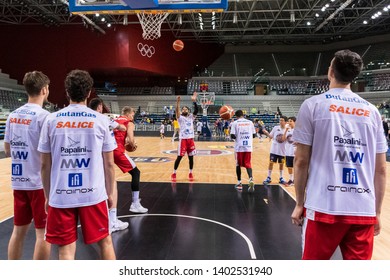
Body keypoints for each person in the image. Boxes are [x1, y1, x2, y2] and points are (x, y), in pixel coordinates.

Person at [291, 50, 387, 260]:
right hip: (362, 209)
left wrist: (299, 203)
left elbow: (300, 161)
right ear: (355, 76)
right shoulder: (372, 111)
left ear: (330, 72)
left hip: (323, 206)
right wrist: (377, 212)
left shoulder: (313, 105)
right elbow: (380, 169)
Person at [38, 69, 116, 260]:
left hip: (61, 196)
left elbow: (44, 166)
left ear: (67, 92)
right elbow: (110, 164)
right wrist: (110, 192)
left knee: (65, 250)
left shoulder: (51, 120)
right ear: (89, 92)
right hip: (93, 194)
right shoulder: (100, 120)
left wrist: (48, 196)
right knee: (105, 242)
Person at [4, 71, 51, 260]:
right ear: (44, 90)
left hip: (18, 181)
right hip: (38, 184)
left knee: (18, 231)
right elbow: (49, 154)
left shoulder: (12, 116)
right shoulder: (45, 117)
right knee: (43, 234)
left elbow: (8, 150)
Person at [88, 97, 129, 233]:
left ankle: (94, 221)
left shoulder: (84, 118)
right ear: (100, 107)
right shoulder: (103, 119)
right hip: (102, 159)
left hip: (86, 161)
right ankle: (112, 221)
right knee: (111, 186)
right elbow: (122, 127)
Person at [113, 106, 148, 214]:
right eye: (132, 115)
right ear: (128, 114)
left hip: (107, 151)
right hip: (118, 151)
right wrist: (133, 145)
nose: (133, 117)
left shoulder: (114, 121)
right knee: (136, 172)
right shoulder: (129, 123)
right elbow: (131, 140)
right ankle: (135, 204)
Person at [171, 92, 198, 182]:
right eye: (183, 109)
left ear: (188, 111)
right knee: (179, 157)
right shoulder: (180, 118)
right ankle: (174, 173)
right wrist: (178, 102)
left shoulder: (191, 117)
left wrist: (194, 102)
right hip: (183, 140)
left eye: (186, 109)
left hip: (190, 139)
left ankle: (190, 172)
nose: (185, 110)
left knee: (191, 158)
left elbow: (197, 110)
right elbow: (176, 110)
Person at [230, 110, 256, 192]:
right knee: (248, 164)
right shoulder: (250, 122)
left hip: (239, 147)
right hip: (248, 146)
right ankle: (251, 179)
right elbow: (254, 135)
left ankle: (239, 183)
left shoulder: (235, 123)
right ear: (243, 115)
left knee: (238, 164)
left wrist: (238, 136)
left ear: (236, 116)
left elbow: (232, 136)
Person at [262, 116, 288, 185]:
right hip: (274, 150)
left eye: (282, 120)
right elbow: (271, 136)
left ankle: (281, 177)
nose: (280, 121)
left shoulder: (287, 130)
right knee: (271, 163)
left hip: (282, 151)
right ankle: (269, 177)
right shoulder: (276, 128)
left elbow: (285, 139)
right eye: (280, 120)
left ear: (285, 122)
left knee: (281, 164)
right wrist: (266, 133)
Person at [282, 116, 296, 185]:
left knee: (296, 167)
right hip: (288, 152)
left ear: (294, 122)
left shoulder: (298, 130)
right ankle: (291, 180)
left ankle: (296, 180)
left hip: (295, 152)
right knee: (289, 167)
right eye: (289, 121)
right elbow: (283, 139)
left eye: (291, 121)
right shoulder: (288, 130)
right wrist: (286, 130)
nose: (289, 122)